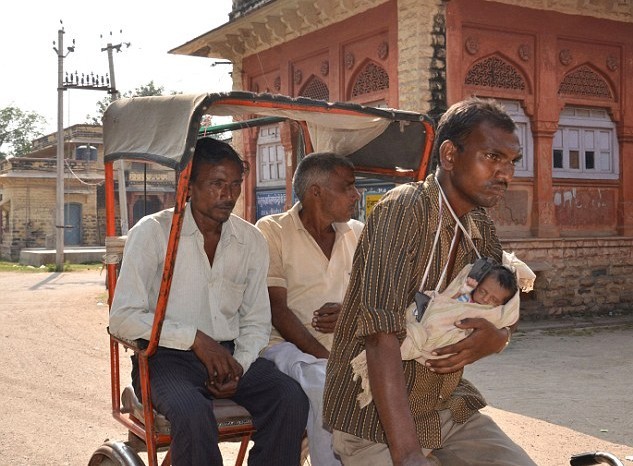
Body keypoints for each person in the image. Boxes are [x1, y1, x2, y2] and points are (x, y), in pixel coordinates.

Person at [323, 97, 537, 466]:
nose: (505, 174)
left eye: (511, 162)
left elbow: (504, 304)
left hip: (443, 410)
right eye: (492, 157)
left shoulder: (479, 226)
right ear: (450, 155)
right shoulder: (403, 209)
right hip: (374, 418)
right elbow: (380, 335)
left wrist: (498, 338)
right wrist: (407, 455)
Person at [109, 137, 309, 466]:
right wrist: (194, 338)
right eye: (216, 184)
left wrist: (239, 365)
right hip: (164, 359)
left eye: (234, 185)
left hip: (231, 356)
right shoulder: (154, 232)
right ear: (188, 185)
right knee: (191, 413)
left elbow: (257, 320)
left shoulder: (250, 240)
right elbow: (123, 318)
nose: (228, 195)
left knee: (290, 398)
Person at [255, 152, 363, 466]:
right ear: (316, 192)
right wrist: (327, 357)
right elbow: (277, 309)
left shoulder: (357, 233)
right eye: (348, 187)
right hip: (284, 347)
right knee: (325, 384)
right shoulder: (272, 230)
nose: (355, 195)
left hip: (344, 349)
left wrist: (350, 314)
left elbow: (376, 299)